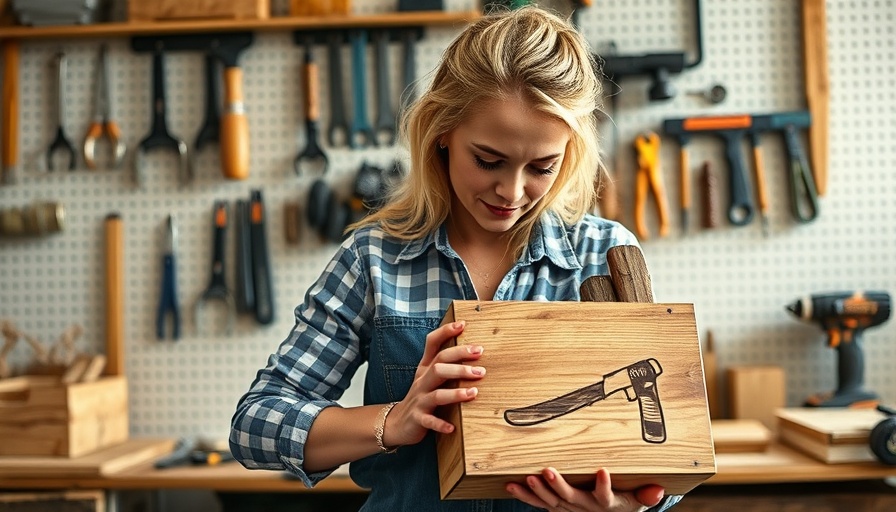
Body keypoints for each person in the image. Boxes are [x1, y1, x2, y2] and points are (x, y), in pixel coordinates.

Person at [231, 6, 682, 512]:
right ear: (441, 132)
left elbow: (669, 456)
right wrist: (395, 421)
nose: (511, 192)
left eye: (541, 166)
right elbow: (256, 424)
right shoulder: (374, 259)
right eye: (488, 160)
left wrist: (633, 507)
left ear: (570, 152)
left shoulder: (605, 254)